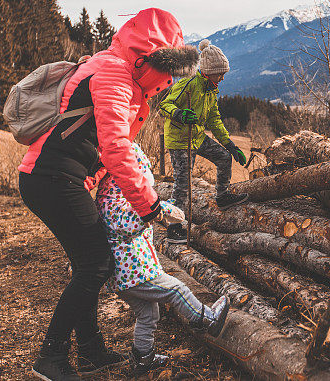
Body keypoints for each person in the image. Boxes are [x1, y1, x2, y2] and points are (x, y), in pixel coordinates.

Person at [18, 8, 199, 381]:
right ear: (147, 59)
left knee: (88, 262)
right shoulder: (115, 74)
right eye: (164, 75)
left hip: (58, 179)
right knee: (95, 264)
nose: (165, 84)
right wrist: (149, 206)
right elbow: (115, 147)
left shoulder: (115, 67)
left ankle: (90, 351)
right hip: (53, 178)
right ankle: (50, 359)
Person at [95, 142, 230, 376]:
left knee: (148, 314)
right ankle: (207, 319)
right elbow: (128, 224)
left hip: (129, 273)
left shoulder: (117, 192)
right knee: (177, 290)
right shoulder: (112, 197)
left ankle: (143, 358)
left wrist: (161, 208)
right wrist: (159, 211)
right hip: (133, 273)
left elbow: (138, 211)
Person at [159, 39, 249, 243]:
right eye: (220, 73)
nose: (223, 77)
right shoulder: (188, 84)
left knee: (225, 158)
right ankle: (174, 226)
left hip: (197, 137)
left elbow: (213, 119)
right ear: (208, 71)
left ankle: (222, 196)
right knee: (183, 184)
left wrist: (230, 145)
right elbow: (164, 105)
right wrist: (180, 114)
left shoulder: (212, 89)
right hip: (180, 140)